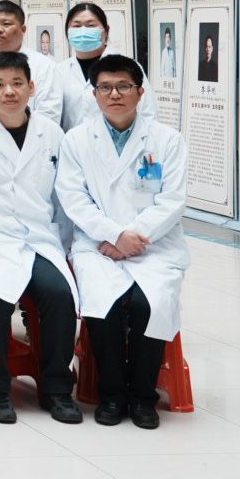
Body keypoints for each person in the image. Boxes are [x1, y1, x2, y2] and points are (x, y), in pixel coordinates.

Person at [56, 55, 189, 429]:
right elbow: (73, 198)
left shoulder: (167, 140)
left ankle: (143, 397)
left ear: (140, 93)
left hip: (154, 244)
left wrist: (134, 237)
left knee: (150, 303)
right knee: (105, 303)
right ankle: (112, 394)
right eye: (105, 87)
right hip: (98, 244)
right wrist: (114, 236)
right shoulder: (77, 140)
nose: (114, 94)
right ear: (94, 94)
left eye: (123, 87)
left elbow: (173, 200)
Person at [0, 51, 81, 425]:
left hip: (39, 239)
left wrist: (65, 245)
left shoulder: (52, 134)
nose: (9, 92)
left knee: (59, 295)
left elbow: (64, 196)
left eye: (17, 83)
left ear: (31, 88)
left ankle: (57, 389)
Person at [0, 0, 64, 127]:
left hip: (33, 136)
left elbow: (49, 113)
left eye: (6, 24)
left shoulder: (45, 66)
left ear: (23, 29)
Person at [59, 2, 156, 131]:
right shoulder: (60, 71)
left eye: (90, 25)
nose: (83, 31)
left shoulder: (127, 67)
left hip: (120, 141)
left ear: (106, 31)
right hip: (73, 143)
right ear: (67, 32)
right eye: (76, 26)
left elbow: (147, 113)